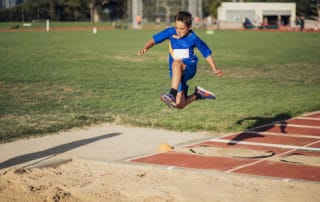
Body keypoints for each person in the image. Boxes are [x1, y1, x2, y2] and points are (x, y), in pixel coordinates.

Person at [138, 11, 223, 109]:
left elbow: (206, 53)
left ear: (189, 27)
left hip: (189, 67)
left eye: (182, 29)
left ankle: (172, 94)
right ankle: (199, 94)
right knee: (179, 104)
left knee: (176, 63)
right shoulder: (170, 32)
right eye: (176, 27)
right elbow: (154, 39)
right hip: (175, 72)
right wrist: (146, 47)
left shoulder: (193, 38)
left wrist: (215, 69)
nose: (178, 31)